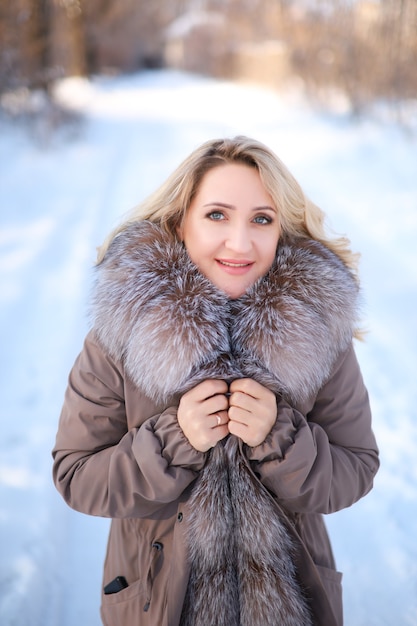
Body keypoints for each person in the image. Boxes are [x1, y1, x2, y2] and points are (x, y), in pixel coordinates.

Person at [52, 135, 379, 626]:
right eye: (217, 215)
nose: (240, 243)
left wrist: (281, 439)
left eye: (262, 220)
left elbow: (356, 468)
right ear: (181, 219)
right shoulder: (121, 331)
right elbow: (76, 475)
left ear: (281, 230)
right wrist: (171, 442)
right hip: (159, 603)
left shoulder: (319, 329)